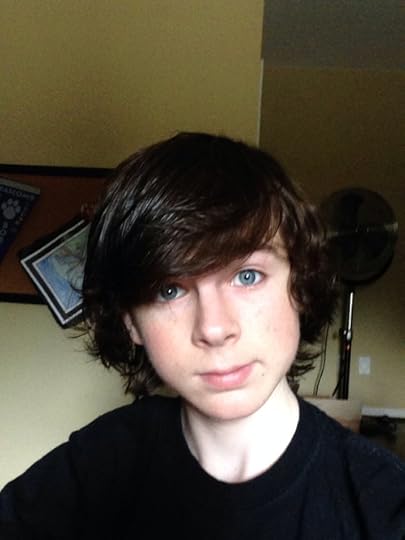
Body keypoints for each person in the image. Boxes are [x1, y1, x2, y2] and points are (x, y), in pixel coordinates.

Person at [1, 132, 404, 539]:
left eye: (248, 276)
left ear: (299, 285)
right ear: (130, 322)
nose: (214, 328)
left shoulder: (382, 502)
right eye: (168, 291)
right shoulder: (98, 463)